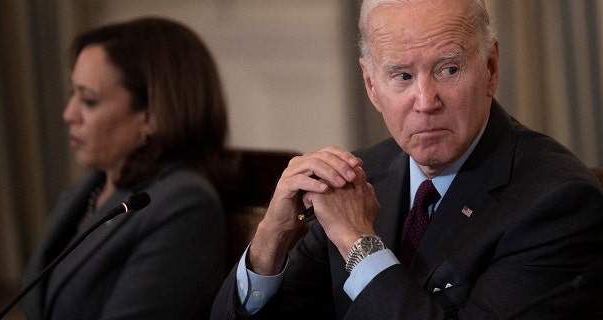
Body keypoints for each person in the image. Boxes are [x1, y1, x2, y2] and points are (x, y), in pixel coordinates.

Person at [211, 0, 603, 319]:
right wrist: (271, 237)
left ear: (490, 68)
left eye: (448, 70)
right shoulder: (359, 178)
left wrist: (358, 243)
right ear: (371, 85)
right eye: (401, 76)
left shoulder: (559, 201)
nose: (426, 102)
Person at [23, 17, 231, 319]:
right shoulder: (85, 190)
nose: (69, 114)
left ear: (153, 115)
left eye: (89, 100)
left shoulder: (184, 204)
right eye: (73, 94)